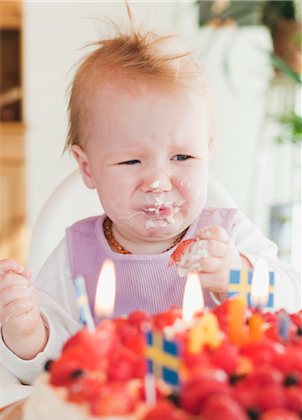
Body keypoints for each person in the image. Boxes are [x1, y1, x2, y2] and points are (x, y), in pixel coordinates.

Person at [0, 15, 300, 385]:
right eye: (131, 161)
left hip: (210, 415)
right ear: (88, 167)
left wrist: (236, 275)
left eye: (182, 158)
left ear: (208, 154)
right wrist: (27, 334)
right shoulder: (76, 255)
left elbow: (292, 299)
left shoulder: (226, 234)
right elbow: (42, 370)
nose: (158, 182)